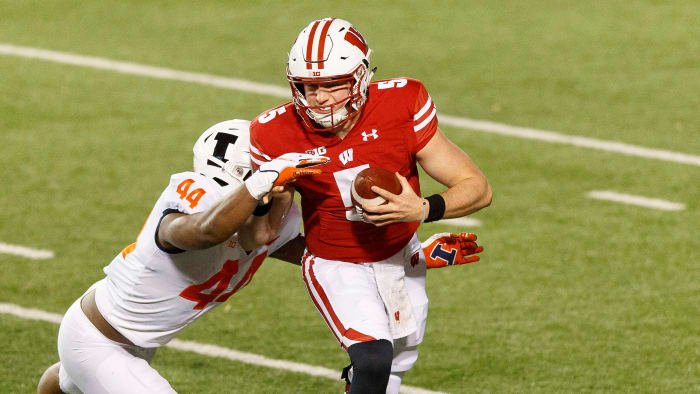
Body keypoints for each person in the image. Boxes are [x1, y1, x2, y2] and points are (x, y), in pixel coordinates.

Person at [249, 17, 492, 394]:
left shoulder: (402, 102)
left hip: (400, 253)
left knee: (394, 364)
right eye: (309, 86)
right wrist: (261, 190)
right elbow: (266, 234)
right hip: (335, 263)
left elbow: (477, 187)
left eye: (334, 84)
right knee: (373, 357)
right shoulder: (273, 133)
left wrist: (422, 217)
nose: (320, 98)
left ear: (361, 77)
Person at [36, 119, 329, 394]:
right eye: (268, 170)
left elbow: (323, 252)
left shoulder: (268, 213)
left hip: (131, 334)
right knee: (80, 370)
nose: (282, 183)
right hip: (99, 338)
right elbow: (206, 232)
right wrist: (257, 186)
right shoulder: (195, 198)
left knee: (69, 381)